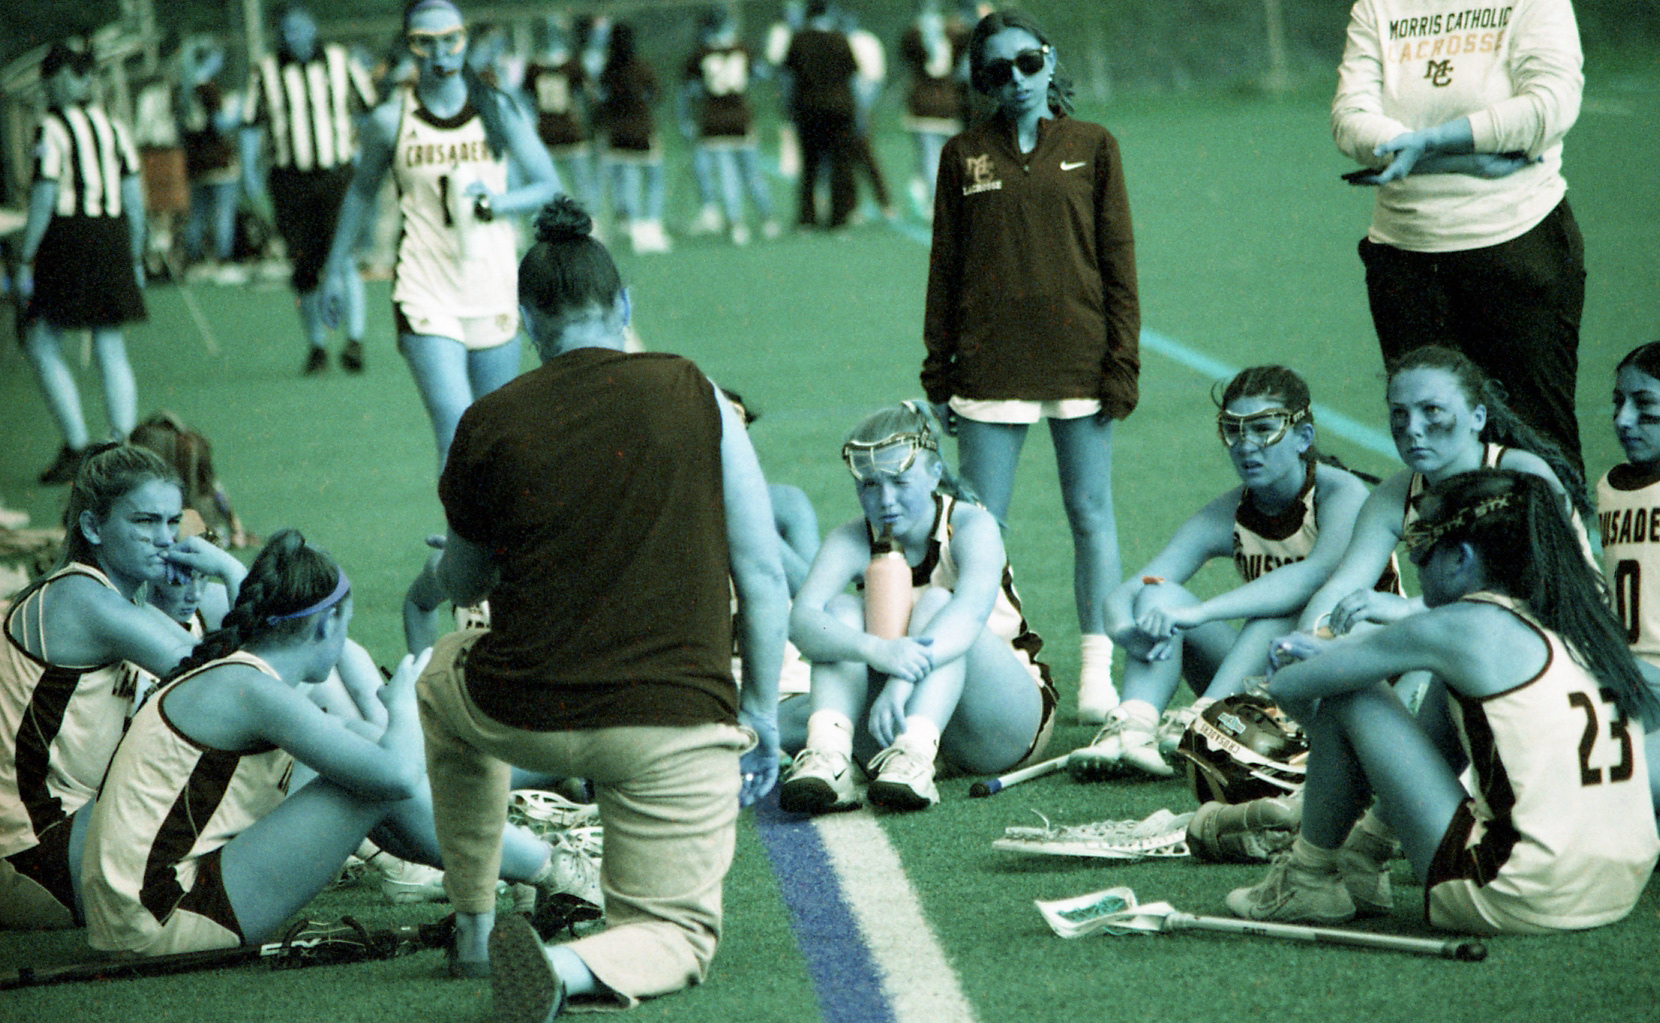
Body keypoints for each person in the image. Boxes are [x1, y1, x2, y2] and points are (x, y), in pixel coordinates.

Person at [415, 196, 787, 1017]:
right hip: (672, 721)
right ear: (624, 304)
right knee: (675, 935)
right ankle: (568, 966)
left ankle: (474, 921)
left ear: (526, 322)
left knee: (439, 679)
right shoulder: (695, 391)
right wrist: (760, 711)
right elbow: (763, 576)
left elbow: (466, 585)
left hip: (523, 707)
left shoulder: (487, 420)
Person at [79, 530, 584, 956]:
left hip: (135, 911)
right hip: (160, 916)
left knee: (357, 744)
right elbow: (396, 776)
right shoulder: (252, 689)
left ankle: (518, 871)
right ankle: (550, 868)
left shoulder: (243, 676)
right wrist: (406, 702)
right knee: (371, 778)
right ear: (326, 624)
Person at [1227, 469, 1658, 932]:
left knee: (1350, 693)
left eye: (1421, 543)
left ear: (1461, 558)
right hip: (1619, 885)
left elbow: (1290, 686)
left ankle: (1308, 877)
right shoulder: (1580, 619)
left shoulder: (1457, 626)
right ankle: (1365, 852)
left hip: (1520, 893)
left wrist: (1312, 681)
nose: (1413, 559)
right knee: (1448, 687)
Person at [923, 10, 1139, 725]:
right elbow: (945, 268)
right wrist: (938, 370)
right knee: (982, 528)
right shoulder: (962, 156)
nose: (1016, 79)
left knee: (1091, 513)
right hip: (991, 367)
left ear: (1048, 60)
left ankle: (1097, 675)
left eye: (1027, 62)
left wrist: (1122, 362)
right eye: (997, 70)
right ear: (980, 81)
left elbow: (1118, 262)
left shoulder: (1094, 145)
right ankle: (997, 671)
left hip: (1080, 360)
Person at [1069, 367, 1392, 781]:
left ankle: (1205, 719)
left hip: (1355, 676)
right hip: (1271, 676)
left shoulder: (1342, 494)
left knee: (1278, 611)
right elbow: (1138, 586)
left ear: (1303, 438)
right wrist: (1123, 626)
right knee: (1158, 594)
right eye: (1233, 431)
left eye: (1263, 429)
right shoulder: (1229, 511)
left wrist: (1201, 612)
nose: (1246, 445)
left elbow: (1313, 576)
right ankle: (1133, 727)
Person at [1333, 0, 1588, 480]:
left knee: (1536, 443)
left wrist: (1428, 144)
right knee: (1431, 445)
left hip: (1518, 248)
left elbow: (1549, 108)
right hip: (1404, 262)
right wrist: (1465, 159)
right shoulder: (1376, 6)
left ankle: (1556, 531)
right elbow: (1350, 121)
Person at [0, 445, 244, 931]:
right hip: (33, 858)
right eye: (145, 522)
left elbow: (247, 668)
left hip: (71, 841)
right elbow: (235, 686)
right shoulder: (82, 599)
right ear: (93, 528)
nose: (165, 539)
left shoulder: (122, 602)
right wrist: (233, 571)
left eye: (172, 522)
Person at [319, 0, 563, 468]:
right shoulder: (391, 120)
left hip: (491, 283)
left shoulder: (496, 109)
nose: (440, 54)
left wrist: (498, 203)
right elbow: (361, 193)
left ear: (465, 40)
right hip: (424, 288)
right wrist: (334, 269)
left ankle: (492, 520)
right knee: (455, 428)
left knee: (496, 433)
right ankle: (459, 519)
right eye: (424, 43)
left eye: (450, 40)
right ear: (409, 47)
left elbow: (548, 185)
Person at [780, 401, 1055, 813]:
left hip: (1000, 723)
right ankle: (829, 756)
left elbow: (967, 618)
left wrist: (900, 680)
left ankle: (916, 754)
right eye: (869, 485)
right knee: (838, 612)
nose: (885, 500)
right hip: (893, 719)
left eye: (899, 482)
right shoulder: (850, 538)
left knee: (937, 603)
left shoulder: (972, 525)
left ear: (934, 473)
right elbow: (802, 621)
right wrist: (876, 650)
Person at [1296, 345, 1593, 638]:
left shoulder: (1523, 475)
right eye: (1399, 413)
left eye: (1432, 410)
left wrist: (1410, 609)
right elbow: (1340, 588)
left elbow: (1540, 591)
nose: (1412, 428)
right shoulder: (1393, 496)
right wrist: (1307, 639)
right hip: (1470, 635)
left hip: (1562, 636)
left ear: (1478, 417)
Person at [18, 41, 147, 487]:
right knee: (110, 343)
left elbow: (44, 195)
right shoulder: (113, 126)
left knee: (40, 341)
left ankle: (76, 444)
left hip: (69, 240)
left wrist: (26, 254)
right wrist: (136, 248)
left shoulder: (51, 128)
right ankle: (122, 446)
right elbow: (133, 195)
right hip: (112, 236)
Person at [242, 5, 378, 375]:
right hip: (290, 179)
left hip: (337, 175)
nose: (294, 37)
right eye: (287, 30)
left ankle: (355, 340)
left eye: (300, 28)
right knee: (303, 264)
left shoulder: (340, 61)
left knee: (343, 256)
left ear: (314, 28)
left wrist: (368, 156)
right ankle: (317, 345)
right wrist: (249, 171)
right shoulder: (266, 71)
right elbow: (250, 124)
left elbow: (370, 111)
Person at [680, 8, 780, 245]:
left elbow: (690, 90)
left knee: (728, 177)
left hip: (713, 122)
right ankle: (768, 219)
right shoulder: (742, 49)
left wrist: (687, 119)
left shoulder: (699, 54)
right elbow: (759, 74)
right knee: (752, 174)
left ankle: (737, 225)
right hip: (740, 120)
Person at [1602, 342, 1660, 672]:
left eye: (1644, 403)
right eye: (1618, 402)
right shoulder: (1607, 487)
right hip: (1623, 672)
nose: (1623, 419)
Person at [782, 2, 860, 230]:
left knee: (810, 165)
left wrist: (790, 108)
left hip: (809, 110)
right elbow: (852, 72)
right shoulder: (839, 39)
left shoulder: (799, 40)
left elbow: (789, 74)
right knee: (840, 164)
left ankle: (807, 217)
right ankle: (839, 217)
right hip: (839, 110)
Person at [596, 22, 670, 254]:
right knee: (655, 179)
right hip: (641, 132)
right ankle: (651, 227)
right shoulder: (641, 67)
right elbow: (656, 94)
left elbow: (601, 100)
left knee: (628, 180)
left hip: (617, 135)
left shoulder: (608, 71)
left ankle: (634, 227)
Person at [178, 37, 244, 283]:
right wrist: (239, 113)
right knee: (223, 212)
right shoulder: (209, 89)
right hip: (218, 161)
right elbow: (219, 124)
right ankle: (223, 261)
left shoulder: (183, 90)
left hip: (196, 163)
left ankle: (193, 262)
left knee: (197, 214)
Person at [898, 1, 968, 218]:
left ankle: (929, 196)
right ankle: (933, 197)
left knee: (931, 156)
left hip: (924, 104)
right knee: (942, 156)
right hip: (947, 103)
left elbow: (907, 58)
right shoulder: (951, 33)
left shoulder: (913, 34)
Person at [522, 17, 599, 213]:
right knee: (575, 184)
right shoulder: (565, 66)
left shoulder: (538, 67)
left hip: (553, 132)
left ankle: (579, 218)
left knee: (570, 184)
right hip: (565, 132)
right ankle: (583, 217)